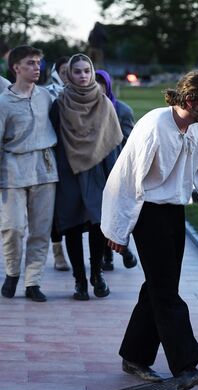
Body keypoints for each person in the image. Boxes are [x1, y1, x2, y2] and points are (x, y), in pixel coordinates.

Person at [101, 70, 198, 390]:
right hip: (147, 212)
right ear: (190, 100)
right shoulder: (154, 126)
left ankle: (133, 355)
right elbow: (127, 178)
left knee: (159, 287)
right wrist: (118, 231)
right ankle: (185, 366)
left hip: (174, 213)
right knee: (166, 292)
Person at [50, 54, 122, 301]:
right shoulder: (59, 104)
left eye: (86, 71)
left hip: (98, 170)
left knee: (97, 224)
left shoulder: (104, 104)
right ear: (69, 74)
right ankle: (80, 280)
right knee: (71, 225)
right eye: (77, 71)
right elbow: (55, 140)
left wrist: (115, 180)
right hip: (68, 169)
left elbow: (112, 142)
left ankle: (96, 275)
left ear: (92, 74)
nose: (82, 75)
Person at [0, 45, 58, 302]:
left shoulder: (46, 96)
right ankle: (12, 273)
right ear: (16, 68)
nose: (37, 68)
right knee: (13, 227)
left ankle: (32, 281)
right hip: (12, 169)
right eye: (31, 63)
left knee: (40, 229)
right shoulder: (2, 101)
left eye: (38, 63)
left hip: (44, 168)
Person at [95, 69, 138, 271]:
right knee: (101, 215)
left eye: (100, 84)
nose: (97, 88)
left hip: (117, 169)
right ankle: (110, 256)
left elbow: (130, 142)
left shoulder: (123, 110)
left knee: (116, 213)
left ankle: (123, 249)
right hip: (95, 169)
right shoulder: (87, 108)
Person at [45, 55, 71, 272]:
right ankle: (57, 250)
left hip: (77, 160)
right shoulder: (45, 95)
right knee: (55, 206)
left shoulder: (85, 96)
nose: (67, 75)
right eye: (63, 72)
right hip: (54, 157)